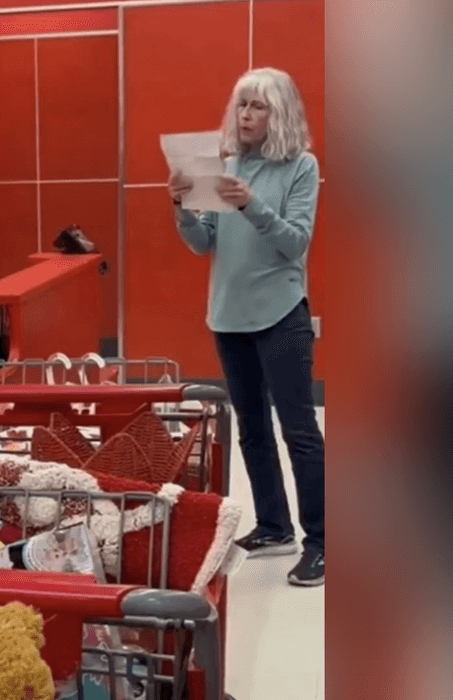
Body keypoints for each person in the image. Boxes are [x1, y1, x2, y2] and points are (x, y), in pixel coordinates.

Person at [168, 68, 325, 587]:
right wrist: (182, 206)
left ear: (278, 113)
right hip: (228, 318)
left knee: (299, 433)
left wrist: (250, 205)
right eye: (241, 106)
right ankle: (274, 527)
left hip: (281, 316)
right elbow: (202, 242)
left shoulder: (301, 167)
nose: (245, 116)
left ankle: (321, 542)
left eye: (257, 106)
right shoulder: (227, 164)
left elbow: (294, 242)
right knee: (252, 431)